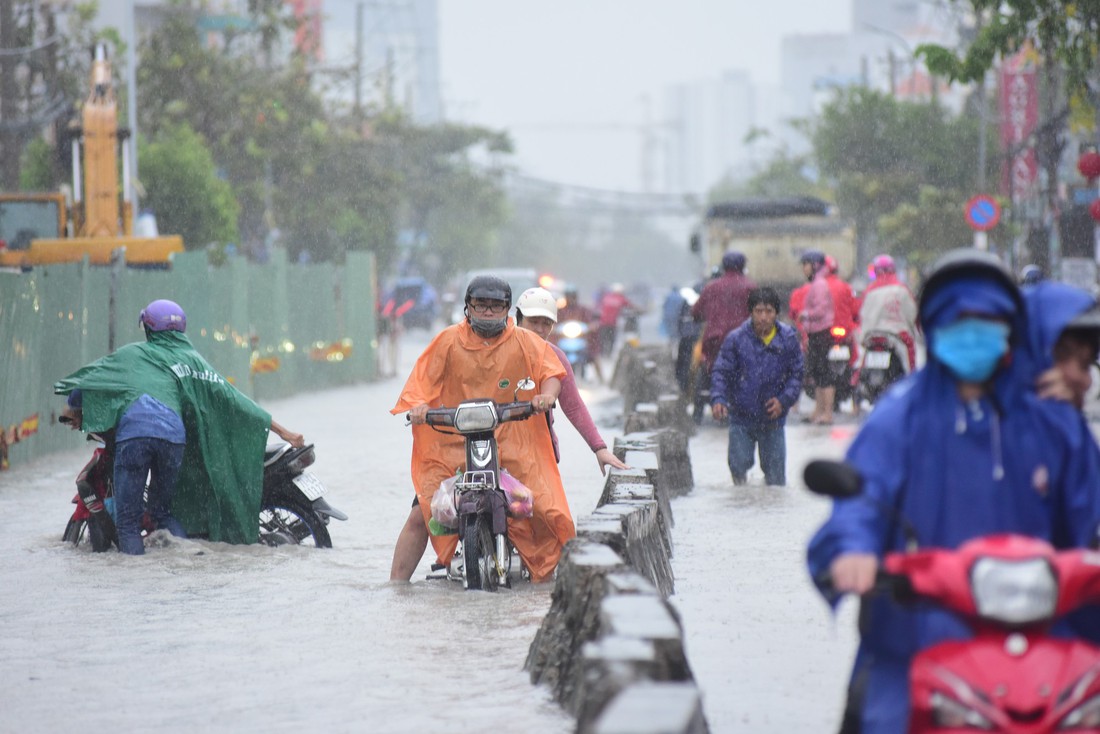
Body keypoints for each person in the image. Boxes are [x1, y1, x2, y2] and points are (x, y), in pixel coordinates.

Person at [806, 249, 1100, 733]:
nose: (974, 333)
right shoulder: (899, 416)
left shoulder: (1052, 420)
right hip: (918, 637)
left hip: (1043, 638)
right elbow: (860, 499)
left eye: (988, 321)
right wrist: (852, 550)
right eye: (961, 320)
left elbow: (1087, 519)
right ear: (935, 327)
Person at [55, 299, 305, 555]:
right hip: (174, 439)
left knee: (128, 522)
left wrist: (72, 407)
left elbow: (88, 383)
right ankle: (189, 560)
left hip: (135, 437)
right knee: (161, 513)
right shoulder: (194, 361)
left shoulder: (133, 354)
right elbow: (235, 400)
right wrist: (284, 432)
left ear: (149, 329)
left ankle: (133, 583)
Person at [389, 276, 571, 583]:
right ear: (467, 308)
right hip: (453, 445)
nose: (488, 313)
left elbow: (551, 370)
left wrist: (547, 396)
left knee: (548, 512)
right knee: (422, 513)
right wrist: (418, 406)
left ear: (507, 310)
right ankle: (395, 587)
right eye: (481, 306)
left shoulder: (525, 341)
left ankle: (553, 584)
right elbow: (421, 382)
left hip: (514, 444)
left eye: (495, 306)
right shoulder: (447, 341)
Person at [709, 287, 802, 486]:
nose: (763, 317)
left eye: (768, 311)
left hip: (773, 418)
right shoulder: (736, 339)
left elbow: (796, 375)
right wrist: (718, 399)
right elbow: (721, 372)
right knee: (738, 468)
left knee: (776, 479)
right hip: (742, 416)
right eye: (758, 311)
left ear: (776, 313)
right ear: (751, 312)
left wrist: (783, 400)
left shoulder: (788, 339)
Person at [691, 250, 756, 374]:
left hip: (715, 343)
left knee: (713, 375)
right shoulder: (750, 287)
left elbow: (696, 312)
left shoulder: (711, 287)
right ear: (743, 266)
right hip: (744, 343)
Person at [858, 254, 920, 373]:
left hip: (871, 336)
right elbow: (912, 314)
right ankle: (911, 380)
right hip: (898, 336)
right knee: (910, 356)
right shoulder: (902, 289)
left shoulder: (869, 291)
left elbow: (861, 314)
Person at [798, 249, 838, 424]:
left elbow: (820, 310)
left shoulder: (820, 284)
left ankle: (827, 413)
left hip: (821, 333)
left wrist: (805, 314)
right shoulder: (817, 283)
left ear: (814, 265)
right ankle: (818, 411)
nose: (804, 269)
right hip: (815, 333)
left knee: (824, 373)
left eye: (805, 265)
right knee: (816, 372)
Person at [597, 283, 635, 357]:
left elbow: (599, 307)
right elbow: (631, 306)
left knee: (602, 339)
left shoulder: (606, 297)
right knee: (611, 340)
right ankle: (608, 354)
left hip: (603, 322)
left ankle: (602, 354)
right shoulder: (621, 299)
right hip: (612, 323)